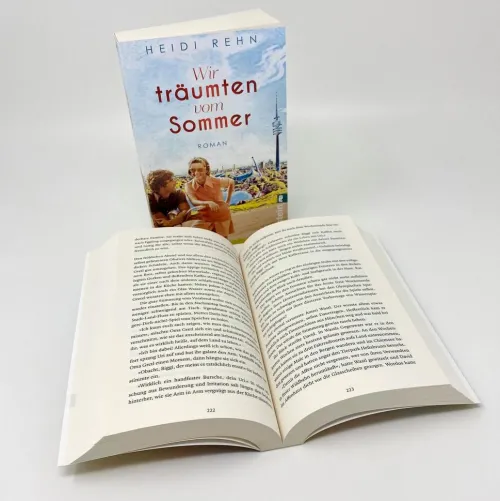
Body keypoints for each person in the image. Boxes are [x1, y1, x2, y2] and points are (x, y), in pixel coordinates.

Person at [184, 157, 235, 238]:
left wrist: (228, 201)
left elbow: (231, 182)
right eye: (193, 170)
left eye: (200, 170)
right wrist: (208, 202)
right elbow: (193, 201)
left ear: (206, 170)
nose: (196, 173)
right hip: (204, 217)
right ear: (189, 171)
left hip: (221, 215)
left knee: (223, 240)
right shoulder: (188, 185)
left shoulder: (215, 180)